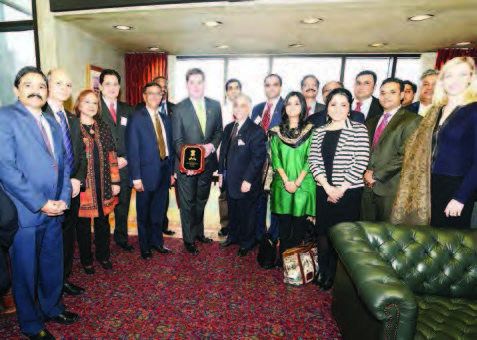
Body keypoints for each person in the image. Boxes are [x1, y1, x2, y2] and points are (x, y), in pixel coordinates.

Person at [0, 66, 78, 340]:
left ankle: (52, 307)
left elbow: (65, 165)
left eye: (41, 86)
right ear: (16, 90)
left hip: (55, 208)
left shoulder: (52, 121)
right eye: (28, 85)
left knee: (51, 264)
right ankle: (31, 324)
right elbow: (7, 169)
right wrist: (40, 202)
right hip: (26, 212)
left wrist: (63, 198)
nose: (36, 90)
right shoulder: (5, 117)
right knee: (25, 271)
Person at [392, 57, 477, 229]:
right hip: (426, 185)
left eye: (462, 74)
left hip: (455, 186)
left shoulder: (474, 111)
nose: (455, 80)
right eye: (449, 75)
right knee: (425, 242)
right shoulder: (435, 111)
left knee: (449, 246)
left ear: (470, 78)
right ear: (442, 79)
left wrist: (461, 197)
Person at [309, 88, 369, 290]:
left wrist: (340, 188)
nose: (338, 108)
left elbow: (361, 161)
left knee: (341, 235)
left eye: (343, 104)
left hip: (349, 192)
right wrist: (327, 187)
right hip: (324, 189)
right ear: (327, 108)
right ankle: (322, 270)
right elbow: (314, 160)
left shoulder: (359, 129)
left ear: (350, 108)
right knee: (323, 233)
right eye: (333, 104)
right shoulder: (319, 131)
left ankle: (335, 273)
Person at [44, 69, 88, 297]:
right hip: (49, 192)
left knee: (67, 237)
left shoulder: (71, 118)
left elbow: (80, 154)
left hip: (72, 190)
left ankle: (64, 279)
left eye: (68, 85)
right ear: (47, 85)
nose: (64, 88)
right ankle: (50, 286)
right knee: (51, 242)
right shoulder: (39, 116)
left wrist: (77, 178)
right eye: (59, 83)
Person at [172, 68, 223, 254]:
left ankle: (198, 232)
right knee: (187, 203)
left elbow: (219, 131)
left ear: (204, 83)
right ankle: (188, 239)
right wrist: (187, 163)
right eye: (192, 82)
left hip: (208, 164)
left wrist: (212, 146)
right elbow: (177, 141)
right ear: (187, 84)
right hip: (188, 167)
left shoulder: (215, 105)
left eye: (199, 82)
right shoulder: (178, 108)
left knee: (202, 199)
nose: (196, 86)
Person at [361, 78, 422, 222]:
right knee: (365, 233)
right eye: (382, 93)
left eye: (392, 92)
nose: (386, 96)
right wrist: (366, 173)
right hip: (366, 188)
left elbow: (406, 155)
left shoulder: (413, 120)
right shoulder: (370, 122)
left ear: (402, 95)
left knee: (387, 236)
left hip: (391, 189)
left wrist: (376, 175)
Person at [126, 82, 174, 260]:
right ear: (144, 96)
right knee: (144, 212)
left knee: (159, 210)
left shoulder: (165, 118)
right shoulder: (136, 117)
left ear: (162, 96)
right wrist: (135, 177)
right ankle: (145, 246)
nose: (155, 96)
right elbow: (132, 148)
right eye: (151, 93)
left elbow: (169, 147)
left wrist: (171, 172)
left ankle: (157, 242)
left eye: (158, 93)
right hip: (145, 174)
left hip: (163, 170)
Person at [75, 89, 121, 274]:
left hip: (104, 183)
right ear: (78, 104)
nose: (91, 106)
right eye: (87, 102)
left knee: (103, 222)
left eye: (95, 103)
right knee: (83, 225)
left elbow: (111, 155)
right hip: (82, 186)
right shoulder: (72, 126)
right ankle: (86, 260)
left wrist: (116, 181)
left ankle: (104, 255)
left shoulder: (102, 126)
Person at [218, 94, 267, 256]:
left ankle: (247, 242)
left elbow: (258, 159)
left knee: (247, 214)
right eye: (236, 105)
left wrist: (248, 180)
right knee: (233, 211)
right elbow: (223, 153)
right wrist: (220, 173)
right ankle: (233, 236)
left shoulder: (256, 131)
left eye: (243, 105)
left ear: (249, 108)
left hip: (246, 181)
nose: (239, 108)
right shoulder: (229, 127)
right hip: (230, 179)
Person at [269, 91, 315, 258]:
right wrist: (287, 181)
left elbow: (310, 158)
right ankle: (284, 260)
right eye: (289, 103)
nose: (292, 107)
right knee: (284, 226)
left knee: (299, 227)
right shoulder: (276, 131)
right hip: (283, 183)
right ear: (284, 107)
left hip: (303, 184)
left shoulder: (311, 131)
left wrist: (297, 182)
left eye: (297, 103)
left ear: (303, 106)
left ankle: (296, 263)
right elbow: (276, 158)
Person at [99, 69, 134, 252]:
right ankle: (102, 241)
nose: (112, 88)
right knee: (104, 208)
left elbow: (134, 139)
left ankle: (121, 237)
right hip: (103, 168)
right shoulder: (94, 108)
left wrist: (126, 159)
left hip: (124, 166)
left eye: (115, 84)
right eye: (108, 84)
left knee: (123, 206)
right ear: (100, 86)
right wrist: (112, 161)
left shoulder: (128, 109)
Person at [251, 74, 284, 243]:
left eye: (275, 85)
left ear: (280, 87)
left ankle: (273, 235)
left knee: (276, 201)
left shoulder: (287, 106)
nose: (271, 88)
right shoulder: (257, 108)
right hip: (258, 161)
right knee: (259, 199)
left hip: (277, 162)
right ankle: (259, 234)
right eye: (268, 85)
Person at [218, 78, 242, 238]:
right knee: (224, 194)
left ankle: (239, 224)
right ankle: (225, 224)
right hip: (225, 159)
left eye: (236, 88)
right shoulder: (222, 110)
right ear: (226, 92)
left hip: (242, 162)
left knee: (241, 194)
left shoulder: (249, 108)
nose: (233, 91)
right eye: (230, 88)